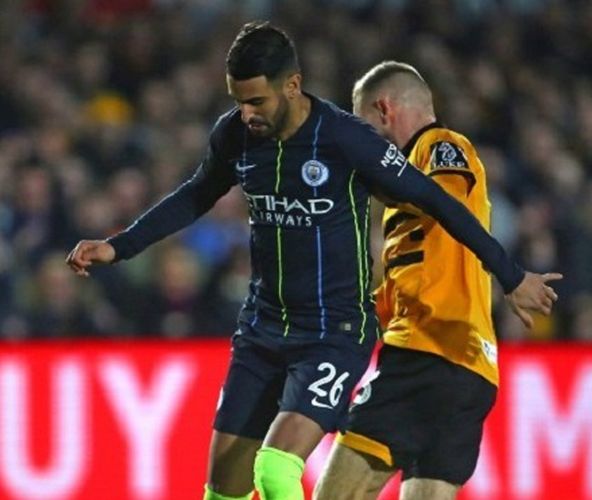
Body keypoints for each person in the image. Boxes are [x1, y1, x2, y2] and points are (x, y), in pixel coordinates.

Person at [66, 24, 560, 500]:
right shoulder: (235, 136)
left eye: (257, 101)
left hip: (333, 331)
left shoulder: (346, 138)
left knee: (276, 470)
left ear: (293, 85)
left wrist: (511, 275)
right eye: (238, 101)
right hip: (261, 330)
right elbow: (197, 194)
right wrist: (121, 245)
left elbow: (440, 202)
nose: (247, 113)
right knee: (222, 487)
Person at [314, 62, 561, 500]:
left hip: (426, 352)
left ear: (384, 110)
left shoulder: (440, 146)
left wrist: (510, 276)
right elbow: (419, 267)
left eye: (364, 126)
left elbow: (447, 205)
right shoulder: (407, 190)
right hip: (468, 369)